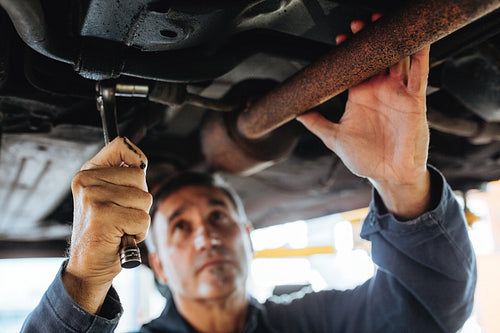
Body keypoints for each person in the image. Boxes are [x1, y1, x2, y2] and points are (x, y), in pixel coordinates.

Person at [21, 17, 476, 333]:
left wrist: (400, 184)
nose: (207, 237)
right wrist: (82, 281)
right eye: (180, 227)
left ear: (247, 234)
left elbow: (427, 312)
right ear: (157, 263)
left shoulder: (313, 324)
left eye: (219, 217)